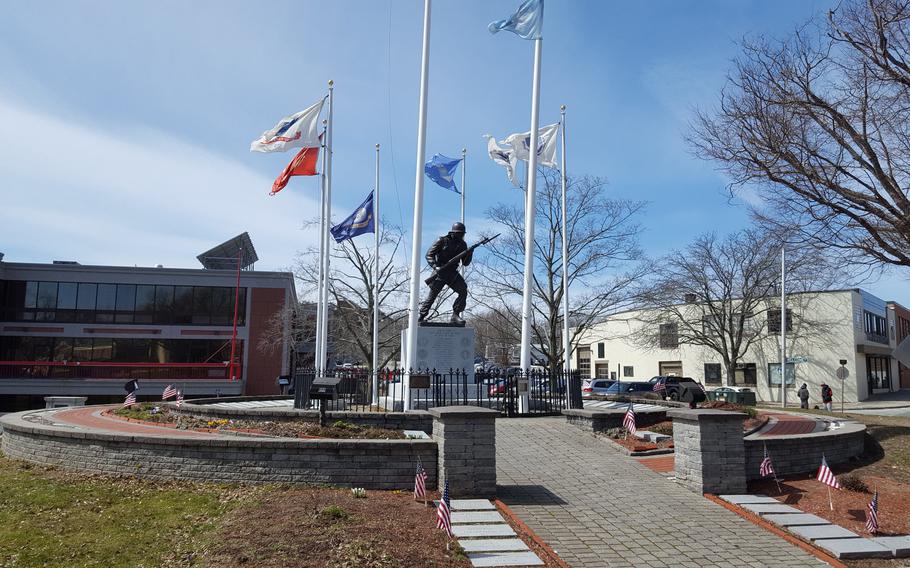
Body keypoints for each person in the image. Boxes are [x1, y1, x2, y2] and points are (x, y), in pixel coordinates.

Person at [419, 222, 473, 325]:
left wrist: (470, 253)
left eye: (462, 233)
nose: (461, 235)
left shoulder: (462, 244)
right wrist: (435, 266)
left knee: (463, 291)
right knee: (432, 296)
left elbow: (465, 263)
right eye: (459, 233)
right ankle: (421, 316)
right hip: (440, 272)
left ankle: (455, 315)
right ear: (453, 233)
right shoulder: (442, 240)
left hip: (452, 273)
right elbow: (429, 255)